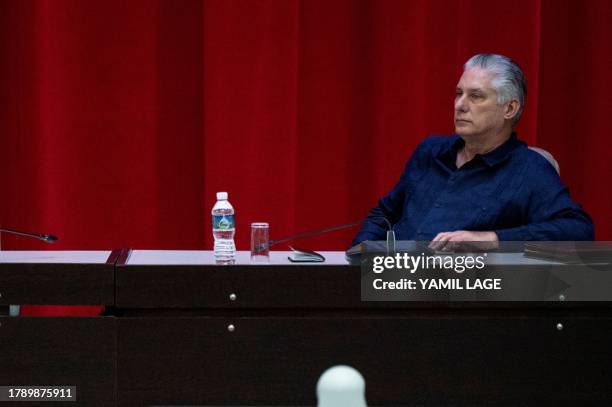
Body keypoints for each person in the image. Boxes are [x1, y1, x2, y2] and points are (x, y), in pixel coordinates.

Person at [352, 53, 594, 250]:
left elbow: (579, 229)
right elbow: (383, 214)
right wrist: (360, 258)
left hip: (461, 295)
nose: (460, 105)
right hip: (390, 286)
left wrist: (493, 239)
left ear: (509, 108)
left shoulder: (529, 169)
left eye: (476, 96)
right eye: (459, 93)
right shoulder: (430, 151)